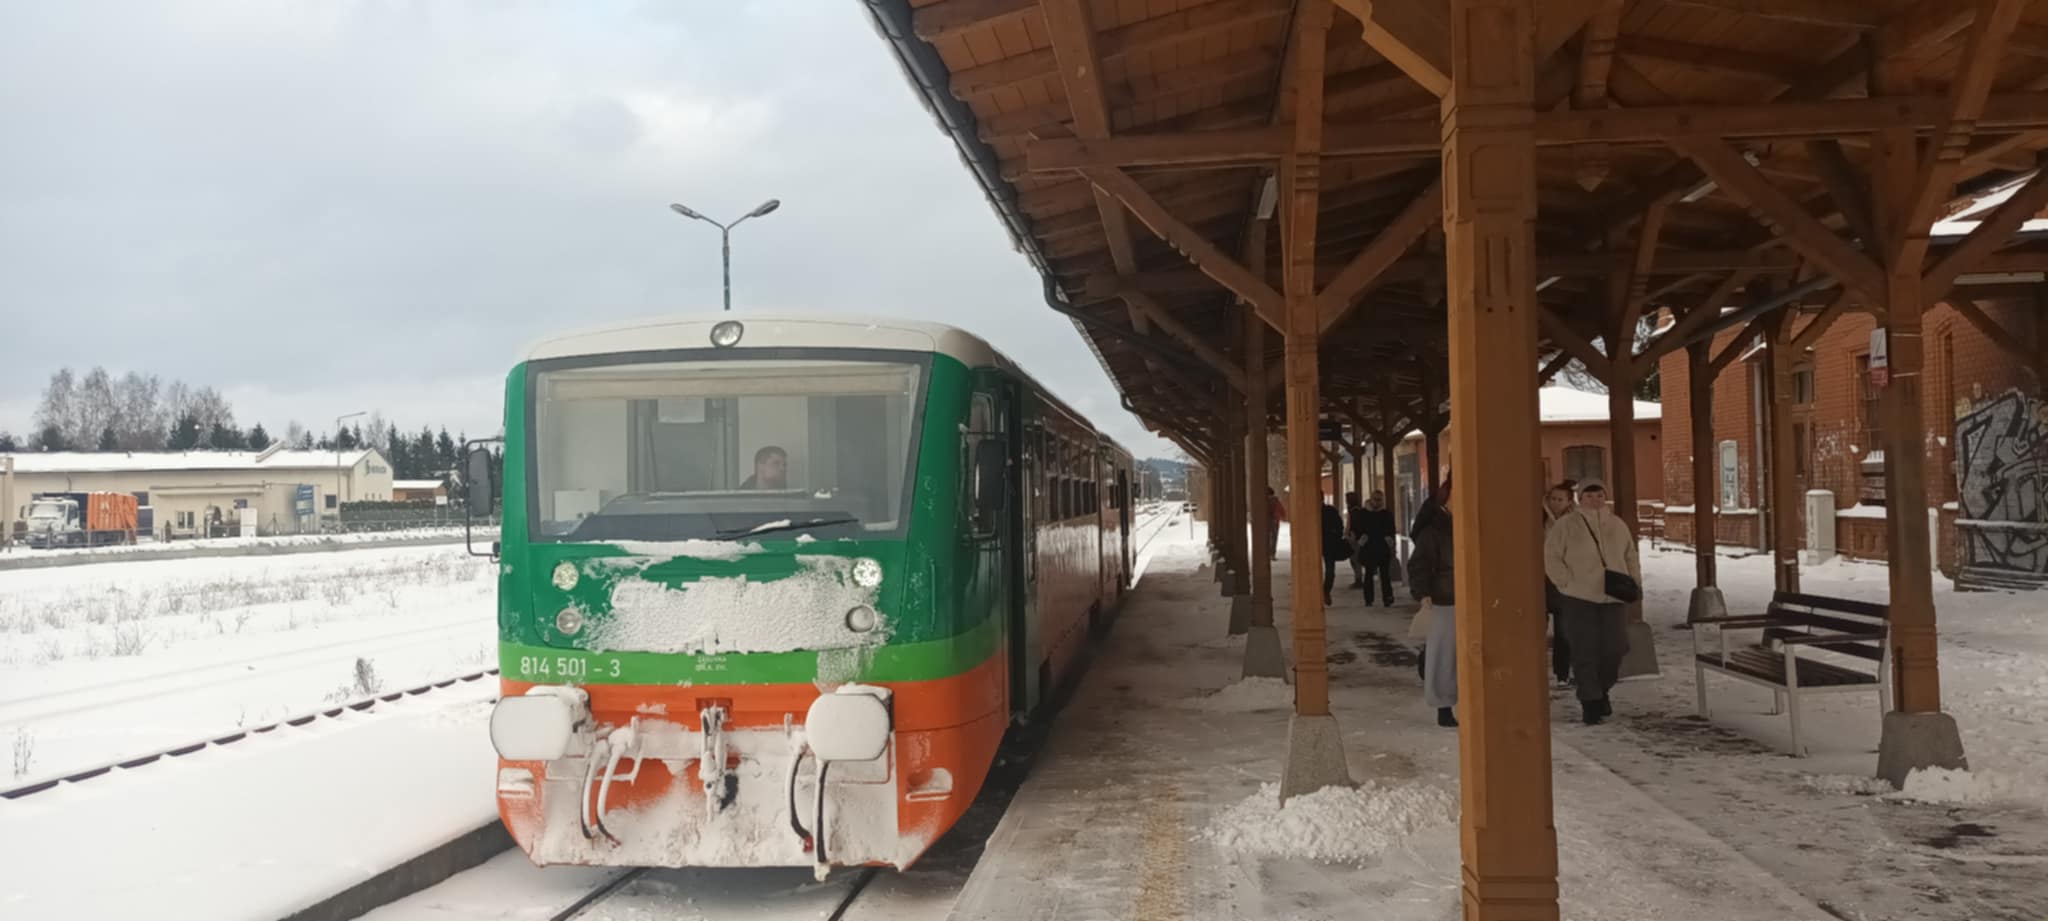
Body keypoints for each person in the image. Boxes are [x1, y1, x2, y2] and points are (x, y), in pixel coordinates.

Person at [1544, 479, 1641, 725]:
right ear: (1580, 499)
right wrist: (1565, 583)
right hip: (1579, 597)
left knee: (1616, 648)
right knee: (1584, 650)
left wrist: (1634, 582)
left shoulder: (1618, 525)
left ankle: (1602, 690)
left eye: (1599, 495)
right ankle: (1590, 701)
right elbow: (1552, 556)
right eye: (1589, 496)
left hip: (1613, 597)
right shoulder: (1567, 525)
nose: (1594, 500)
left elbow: (1630, 555)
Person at [1406, 478, 1457, 728]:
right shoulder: (1433, 531)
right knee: (1444, 655)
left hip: (1477, 600)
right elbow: (1419, 564)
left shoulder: (1479, 523)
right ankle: (1444, 706)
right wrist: (1423, 592)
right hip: (1444, 599)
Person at [1543, 483, 1578, 688]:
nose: (1556, 503)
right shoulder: (1540, 518)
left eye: (1560, 499)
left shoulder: (1575, 521)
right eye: (1553, 499)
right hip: (1542, 579)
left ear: (1568, 501)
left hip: (1566, 579)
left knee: (1564, 629)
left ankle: (1562, 672)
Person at [1356, 490, 1397, 607]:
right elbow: (1358, 528)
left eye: (1379, 500)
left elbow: (1391, 529)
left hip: (1382, 548)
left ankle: (1387, 598)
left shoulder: (1386, 514)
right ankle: (1368, 599)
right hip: (1369, 548)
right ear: (1371, 499)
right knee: (1369, 575)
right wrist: (1361, 538)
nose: (1377, 502)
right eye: (1375, 499)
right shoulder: (1363, 513)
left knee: (1385, 575)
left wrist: (1390, 540)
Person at [1319, 496, 1348, 607]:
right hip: (1320, 544)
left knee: (1330, 570)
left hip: (1328, 544)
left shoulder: (1329, 511)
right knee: (1327, 569)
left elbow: (1339, 526)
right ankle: (1321, 592)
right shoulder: (1330, 511)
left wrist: (1334, 535)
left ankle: (1325, 591)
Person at [1344, 491, 1365, 588]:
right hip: (1357, 537)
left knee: (1355, 560)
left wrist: (1347, 534)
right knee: (1355, 559)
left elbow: (1350, 525)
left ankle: (1358, 580)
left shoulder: (1353, 511)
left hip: (1353, 538)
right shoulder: (1359, 510)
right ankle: (1358, 579)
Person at [1265, 487, 1286, 560]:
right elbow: (1281, 510)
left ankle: (1266, 553)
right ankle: (1272, 554)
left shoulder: (1263, 501)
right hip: (1274, 521)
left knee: (1266, 537)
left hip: (1265, 522)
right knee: (1274, 538)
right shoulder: (1276, 501)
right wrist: (1280, 516)